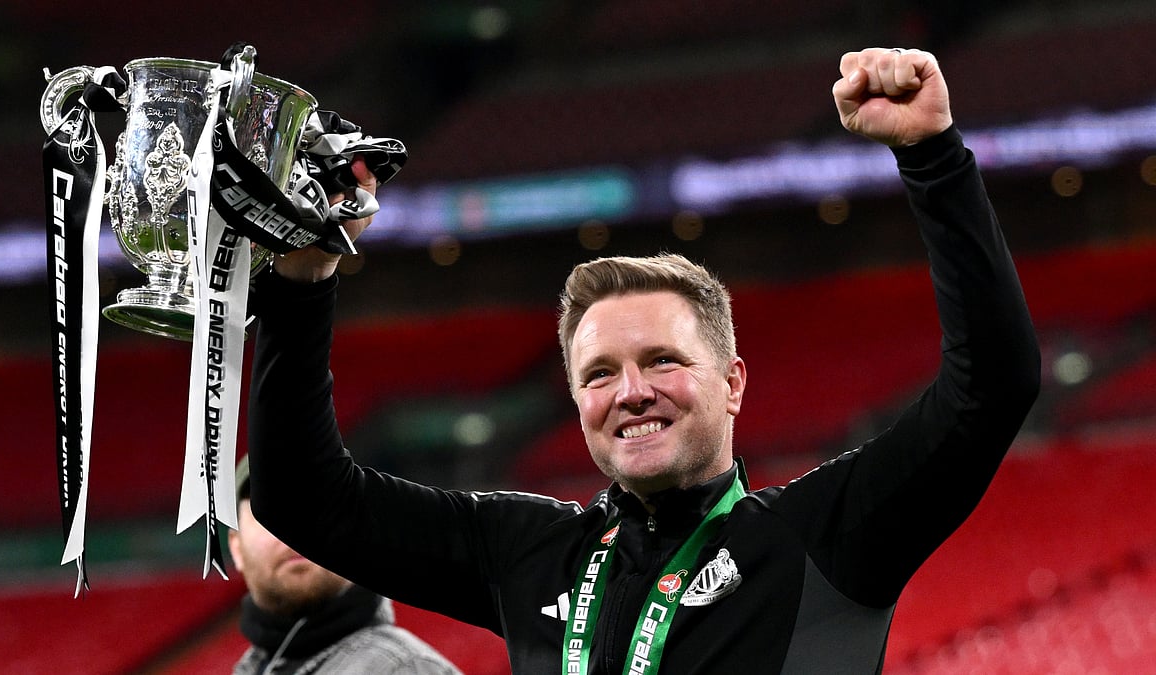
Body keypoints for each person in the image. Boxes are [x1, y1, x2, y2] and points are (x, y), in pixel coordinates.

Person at [244, 47, 1041, 673]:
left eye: (662, 360)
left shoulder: (825, 535)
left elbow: (993, 386)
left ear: (732, 383)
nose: (630, 392)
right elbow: (303, 499)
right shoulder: (525, 553)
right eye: (598, 373)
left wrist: (934, 158)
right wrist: (305, 276)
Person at [228, 454, 463, 674]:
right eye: (269, 512)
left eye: (312, 506)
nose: (292, 531)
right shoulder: (251, 667)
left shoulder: (408, 670)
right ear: (236, 548)